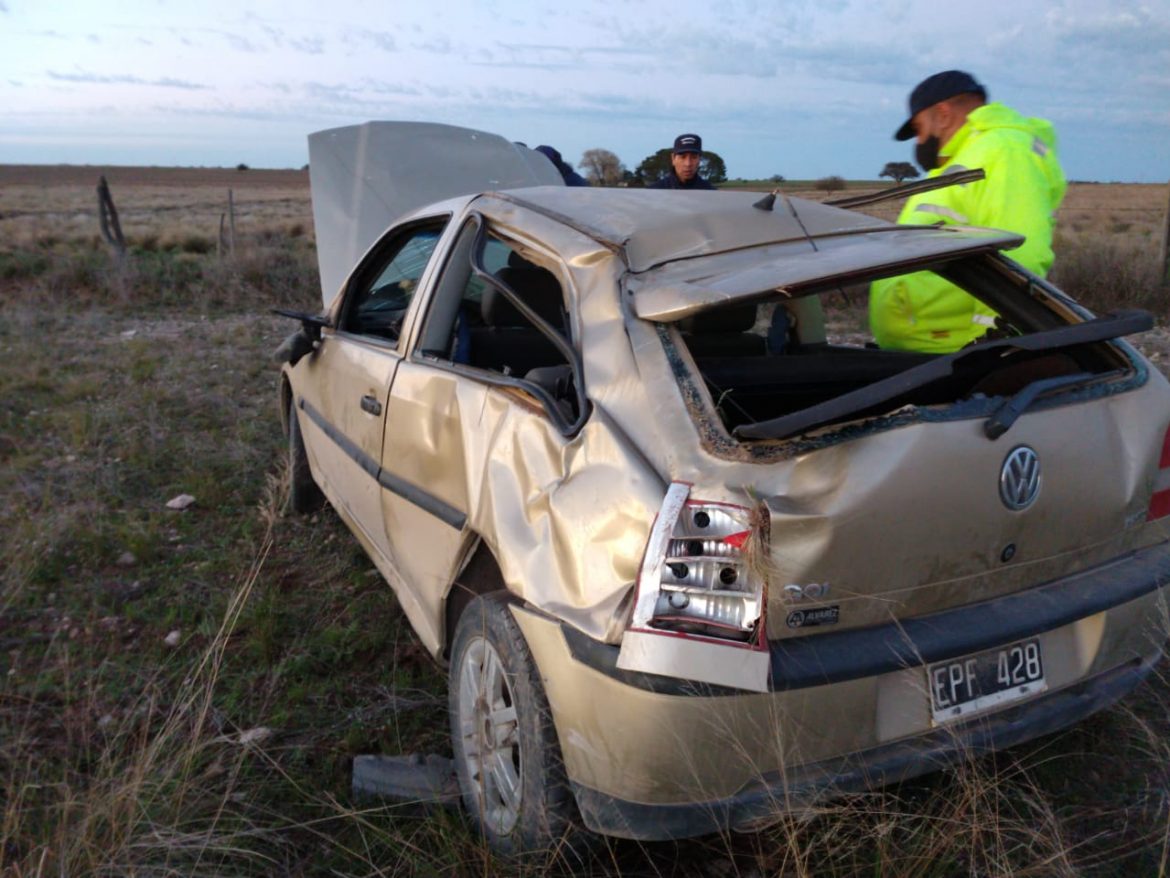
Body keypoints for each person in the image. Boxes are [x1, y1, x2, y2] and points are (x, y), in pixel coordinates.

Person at [869, 70, 1067, 353]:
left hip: (961, 355)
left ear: (943, 114)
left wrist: (991, 347)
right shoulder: (963, 160)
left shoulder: (1003, 150)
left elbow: (1021, 253)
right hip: (934, 353)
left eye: (918, 128)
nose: (919, 141)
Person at [650, 133, 716, 190]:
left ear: (699, 159)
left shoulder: (710, 192)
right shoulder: (655, 190)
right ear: (673, 158)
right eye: (682, 157)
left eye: (694, 157)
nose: (688, 164)